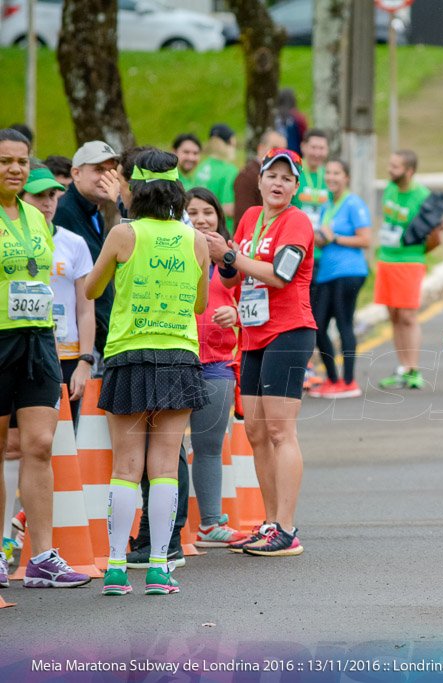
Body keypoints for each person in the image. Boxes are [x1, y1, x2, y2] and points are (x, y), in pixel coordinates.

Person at [85, 149, 210, 596]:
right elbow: (200, 304)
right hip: (178, 355)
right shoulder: (194, 240)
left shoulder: (123, 234)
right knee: (164, 468)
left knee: (126, 466)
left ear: (134, 190)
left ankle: (116, 568)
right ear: (178, 190)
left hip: (129, 354)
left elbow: (91, 288)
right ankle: (160, 566)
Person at [204, 147, 316, 557]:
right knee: (255, 432)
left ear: (296, 187)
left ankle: (286, 527)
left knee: (279, 431)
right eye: (273, 175)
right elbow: (235, 281)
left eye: (288, 179)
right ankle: (270, 522)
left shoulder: (297, 221)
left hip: (289, 330)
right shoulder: (249, 219)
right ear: (260, 180)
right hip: (252, 333)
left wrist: (231, 256)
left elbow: (282, 276)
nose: (278, 184)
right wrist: (224, 260)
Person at [0, 128, 92, 589]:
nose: (15, 169)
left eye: (21, 161)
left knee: (39, 444)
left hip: (39, 341)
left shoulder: (36, 220)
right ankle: (0, 553)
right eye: (5, 161)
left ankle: (41, 558)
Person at [184, 188, 248, 547]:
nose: (201, 218)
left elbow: (253, 303)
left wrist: (236, 315)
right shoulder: (174, 250)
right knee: (165, 446)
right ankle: (163, 526)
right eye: (192, 212)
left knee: (208, 444)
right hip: (175, 360)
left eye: (207, 212)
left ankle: (210, 525)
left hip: (217, 363)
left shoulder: (232, 258)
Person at [20, 167, 95, 427]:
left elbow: (86, 310)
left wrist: (85, 362)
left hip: (67, 357)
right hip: (21, 350)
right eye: (38, 195)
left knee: (62, 441)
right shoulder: (7, 241)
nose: (47, 203)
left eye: (52, 195)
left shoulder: (74, 243)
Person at [375, 150, 443, 389]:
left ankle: (414, 369)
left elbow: (436, 238)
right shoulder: (389, 189)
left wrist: (415, 254)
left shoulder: (422, 196)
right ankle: (403, 368)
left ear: (409, 171)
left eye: (395, 167)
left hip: (409, 261)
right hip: (386, 259)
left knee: (407, 316)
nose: (389, 169)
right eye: (390, 164)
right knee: (393, 315)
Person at [308, 159, 370, 399]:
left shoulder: (354, 203)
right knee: (318, 326)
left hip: (349, 272)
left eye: (337, 173)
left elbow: (365, 239)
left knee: (344, 323)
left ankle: (349, 381)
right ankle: (332, 379)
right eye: (329, 173)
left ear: (347, 177)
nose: (331, 177)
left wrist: (335, 239)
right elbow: (325, 237)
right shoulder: (326, 206)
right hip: (326, 273)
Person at [54, 141, 120, 359]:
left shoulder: (94, 214)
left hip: (96, 336)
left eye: (111, 170)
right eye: (98, 170)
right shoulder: (63, 212)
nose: (107, 177)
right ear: (76, 173)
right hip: (73, 344)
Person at [233, 130, 287, 227]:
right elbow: (243, 219)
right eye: (274, 148)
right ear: (261, 148)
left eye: (283, 150)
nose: (279, 154)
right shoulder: (248, 176)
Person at [194, 123, 238, 228]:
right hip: (222, 229)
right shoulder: (230, 170)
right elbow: (228, 208)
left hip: (199, 226)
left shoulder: (201, 167)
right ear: (230, 143)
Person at [293, 129, 330, 226]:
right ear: (303, 147)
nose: (317, 153)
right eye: (313, 147)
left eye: (321, 148)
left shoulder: (330, 176)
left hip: (321, 237)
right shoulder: (293, 172)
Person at [275, 88, 307, 155]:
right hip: (295, 153)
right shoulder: (298, 117)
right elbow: (304, 136)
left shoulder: (274, 116)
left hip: (276, 152)